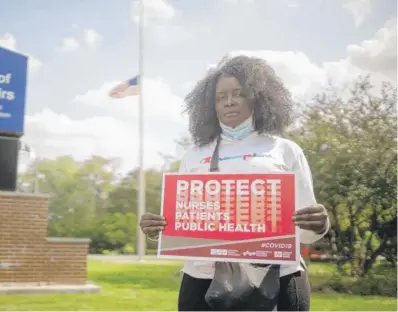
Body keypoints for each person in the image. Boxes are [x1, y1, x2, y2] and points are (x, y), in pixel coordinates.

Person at [140, 55, 330, 311]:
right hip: (202, 280)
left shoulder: (285, 150)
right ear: (210, 105)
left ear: (257, 97)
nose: (229, 101)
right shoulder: (194, 155)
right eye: (221, 97)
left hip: (278, 277)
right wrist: (158, 231)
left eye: (238, 93)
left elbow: (307, 232)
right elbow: (181, 225)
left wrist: (319, 224)